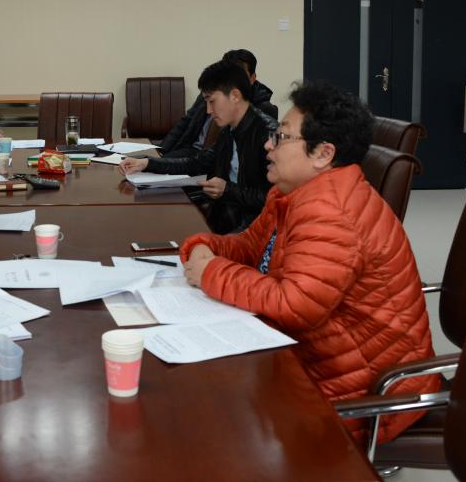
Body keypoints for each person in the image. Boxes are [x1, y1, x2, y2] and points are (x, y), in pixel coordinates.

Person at [179, 80, 438, 446]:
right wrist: (204, 247)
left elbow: (296, 304)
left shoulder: (331, 212)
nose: (268, 145)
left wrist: (213, 272)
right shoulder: (291, 193)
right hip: (314, 360)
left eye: (282, 137)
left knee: (206, 420)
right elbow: (251, 247)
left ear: (323, 154)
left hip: (361, 392)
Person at [119, 60, 274, 234]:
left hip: (253, 230)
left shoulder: (268, 135)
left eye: (212, 101)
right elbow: (198, 162)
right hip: (226, 217)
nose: (208, 111)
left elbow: (274, 198)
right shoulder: (230, 130)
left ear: (235, 96)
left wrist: (228, 190)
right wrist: (147, 163)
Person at [159, 49, 276, 158]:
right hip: (193, 150)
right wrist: (160, 150)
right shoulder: (210, 92)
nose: (209, 110)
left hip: (211, 159)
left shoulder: (260, 110)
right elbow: (186, 120)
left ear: (252, 78)